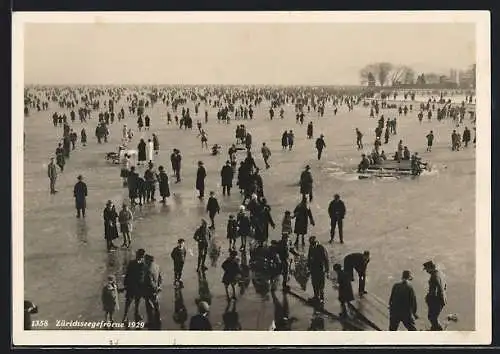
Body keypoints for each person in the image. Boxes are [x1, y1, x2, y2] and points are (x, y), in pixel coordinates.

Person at [122, 249, 147, 323]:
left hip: (139, 286)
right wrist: (126, 284)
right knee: (128, 302)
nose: (139, 257)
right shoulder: (132, 263)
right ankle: (125, 316)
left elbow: (144, 276)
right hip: (131, 286)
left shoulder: (144, 265)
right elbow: (127, 274)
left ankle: (136, 313)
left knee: (137, 301)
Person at [423, 261, 447, 330]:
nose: (426, 271)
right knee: (433, 317)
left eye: (427, 269)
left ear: (430, 268)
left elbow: (433, 291)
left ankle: (439, 330)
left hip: (436, 300)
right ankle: (435, 329)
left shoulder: (434, 276)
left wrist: (428, 298)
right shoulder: (441, 274)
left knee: (432, 317)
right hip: (442, 299)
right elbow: (445, 286)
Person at [307, 236, 329, 305]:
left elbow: (326, 260)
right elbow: (309, 257)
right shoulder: (311, 247)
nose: (312, 245)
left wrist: (327, 270)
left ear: (316, 242)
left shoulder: (321, 248)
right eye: (311, 244)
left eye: (313, 243)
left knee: (321, 284)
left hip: (320, 269)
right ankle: (316, 297)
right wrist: (308, 267)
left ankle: (321, 299)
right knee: (314, 283)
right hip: (313, 269)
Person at [143, 254, 162, 329]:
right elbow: (160, 277)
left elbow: (150, 282)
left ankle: (150, 321)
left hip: (150, 291)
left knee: (149, 307)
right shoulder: (157, 266)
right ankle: (158, 318)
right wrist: (159, 286)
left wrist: (154, 289)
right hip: (156, 289)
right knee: (156, 304)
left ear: (148, 260)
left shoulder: (148, 270)